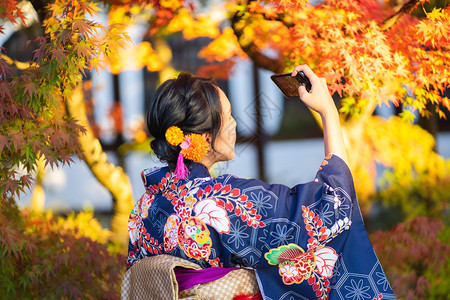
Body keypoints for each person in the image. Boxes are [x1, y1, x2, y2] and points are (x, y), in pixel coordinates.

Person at [124, 65, 395, 300]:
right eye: (228, 116)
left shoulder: (145, 207)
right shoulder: (222, 199)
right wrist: (328, 114)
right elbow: (332, 204)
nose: (234, 124)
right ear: (206, 137)